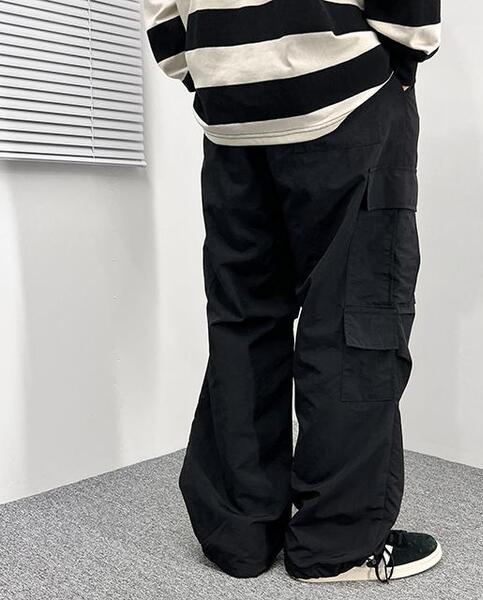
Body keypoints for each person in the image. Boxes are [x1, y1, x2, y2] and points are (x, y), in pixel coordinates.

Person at [144, 0, 442, 583]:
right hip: (343, 87)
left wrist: (207, 66)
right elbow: (412, 25)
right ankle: (337, 544)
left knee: (244, 317)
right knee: (353, 316)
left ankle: (240, 532)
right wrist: (406, 45)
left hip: (229, 102)